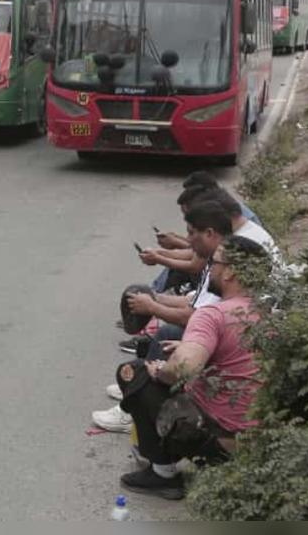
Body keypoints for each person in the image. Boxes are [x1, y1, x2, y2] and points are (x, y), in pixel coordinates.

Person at [115, 236, 269, 500]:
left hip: (220, 444)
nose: (209, 269)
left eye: (214, 262)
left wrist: (160, 371)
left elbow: (182, 369)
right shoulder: (266, 311)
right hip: (260, 442)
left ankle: (163, 474)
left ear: (231, 271)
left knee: (134, 372)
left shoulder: (212, 315)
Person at [93, 200, 234, 433]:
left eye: (191, 233)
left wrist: (152, 307)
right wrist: (155, 298)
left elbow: (192, 316)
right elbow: (195, 301)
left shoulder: (223, 265)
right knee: (166, 335)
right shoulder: (220, 258)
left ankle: (136, 405)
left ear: (210, 233)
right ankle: (138, 385)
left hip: (222, 363)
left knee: (169, 334)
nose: (187, 241)